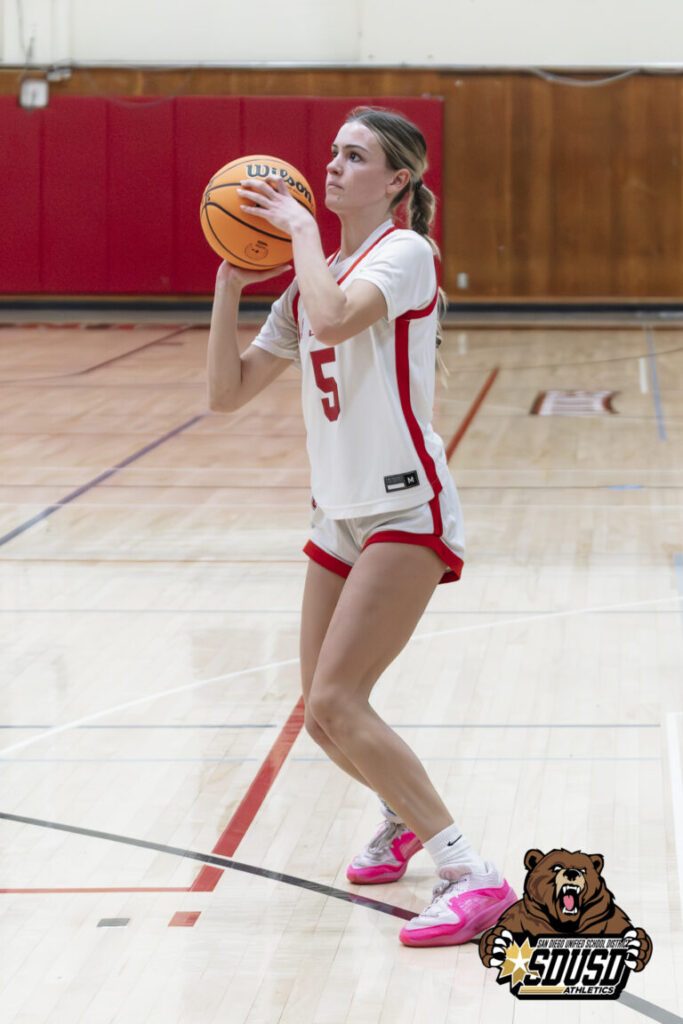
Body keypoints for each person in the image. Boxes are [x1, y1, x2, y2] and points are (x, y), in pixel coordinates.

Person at [206, 106, 516, 946]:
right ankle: (402, 814)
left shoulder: (405, 255)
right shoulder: (316, 276)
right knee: (322, 712)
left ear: (397, 181)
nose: (333, 167)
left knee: (340, 699)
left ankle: (472, 872)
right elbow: (225, 394)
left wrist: (302, 232)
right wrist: (232, 284)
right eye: (332, 154)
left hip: (405, 505)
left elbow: (338, 314)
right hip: (337, 512)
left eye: (355, 157)